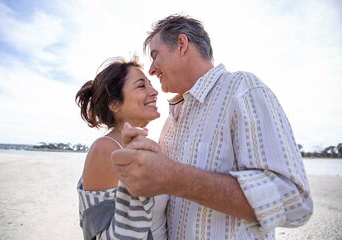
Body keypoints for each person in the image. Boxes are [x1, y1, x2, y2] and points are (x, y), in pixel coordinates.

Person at [111, 14, 313, 239]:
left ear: (181, 44)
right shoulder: (170, 123)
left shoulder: (243, 90)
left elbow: (294, 201)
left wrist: (174, 177)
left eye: (155, 56)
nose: (152, 70)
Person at [75, 56, 168, 240]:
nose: (154, 91)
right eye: (142, 86)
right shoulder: (105, 149)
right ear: (115, 104)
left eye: (150, 84)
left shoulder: (150, 146)